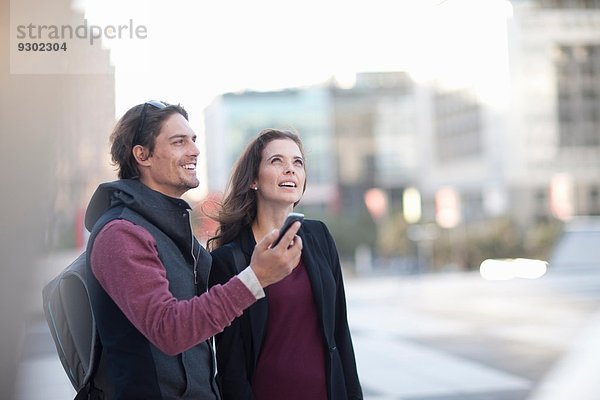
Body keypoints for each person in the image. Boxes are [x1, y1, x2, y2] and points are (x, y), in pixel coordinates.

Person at [84, 101, 303, 399]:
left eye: (193, 140)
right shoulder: (121, 233)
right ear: (142, 155)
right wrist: (256, 278)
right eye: (179, 142)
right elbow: (169, 329)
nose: (195, 150)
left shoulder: (170, 227)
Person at [208, 128, 363, 400]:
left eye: (298, 163)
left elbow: (340, 332)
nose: (290, 169)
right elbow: (231, 366)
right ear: (254, 179)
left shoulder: (319, 237)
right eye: (277, 161)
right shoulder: (228, 261)